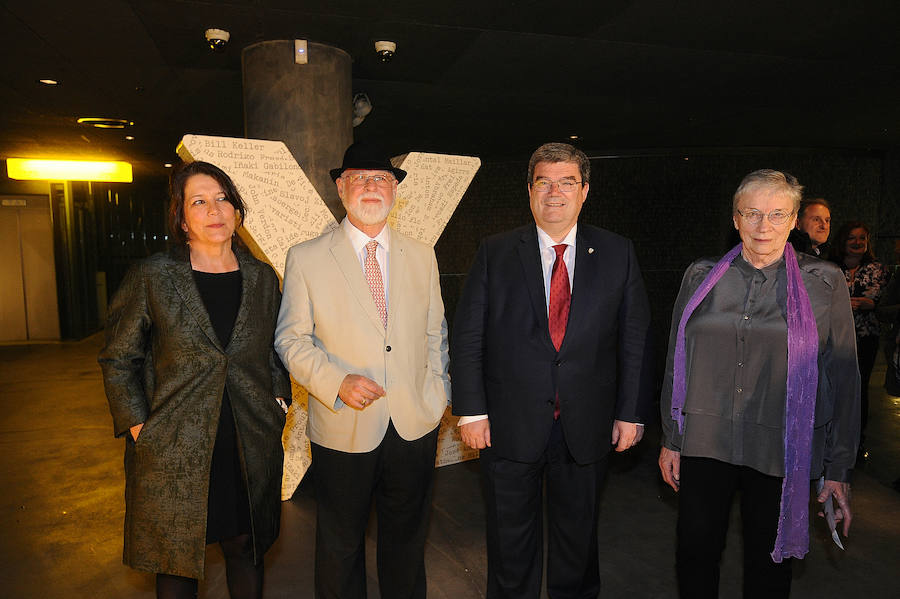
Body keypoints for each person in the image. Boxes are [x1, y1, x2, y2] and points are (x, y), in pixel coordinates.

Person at [451, 142, 653, 598]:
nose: (555, 192)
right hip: (506, 425)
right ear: (529, 191)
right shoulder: (495, 252)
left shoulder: (618, 253)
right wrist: (470, 411)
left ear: (584, 191)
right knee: (509, 545)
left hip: (587, 425)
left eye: (566, 182)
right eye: (544, 182)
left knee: (577, 544)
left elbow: (635, 340)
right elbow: (468, 336)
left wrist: (631, 413)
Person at [658, 169, 860, 598]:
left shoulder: (824, 281)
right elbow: (676, 357)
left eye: (776, 214)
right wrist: (672, 438)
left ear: (793, 221)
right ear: (735, 219)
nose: (763, 226)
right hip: (705, 441)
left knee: (769, 567)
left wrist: (838, 466)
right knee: (694, 554)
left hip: (781, 447)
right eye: (752, 214)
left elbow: (843, 377)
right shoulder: (700, 275)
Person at [99, 161, 291, 599]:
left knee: (246, 544)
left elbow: (273, 346)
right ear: (182, 219)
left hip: (246, 436)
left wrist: (279, 398)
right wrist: (138, 425)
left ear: (237, 211)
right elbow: (118, 356)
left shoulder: (262, 277)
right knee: (176, 558)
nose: (214, 210)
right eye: (199, 202)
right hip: (173, 443)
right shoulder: (155, 276)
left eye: (223, 198)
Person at [274, 142, 450, 599]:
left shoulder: (421, 255)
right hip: (343, 425)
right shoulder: (307, 257)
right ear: (340, 187)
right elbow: (290, 340)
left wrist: (438, 394)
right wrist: (336, 382)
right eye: (359, 177)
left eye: (381, 178)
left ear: (395, 189)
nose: (371, 186)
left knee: (407, 545)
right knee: (339, 545)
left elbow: (437, 335)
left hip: (414, 423)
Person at [829, 221, 889, 457]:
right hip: (834, 337)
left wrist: (871, 304)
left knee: (859, 389)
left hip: (865, 338)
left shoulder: (877, 268)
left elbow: (882, 302)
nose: (857, 243)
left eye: (862, 238)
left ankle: (855, 441)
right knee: (833, 386)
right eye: (852, 238)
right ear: (842, 241)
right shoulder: (828, 267)